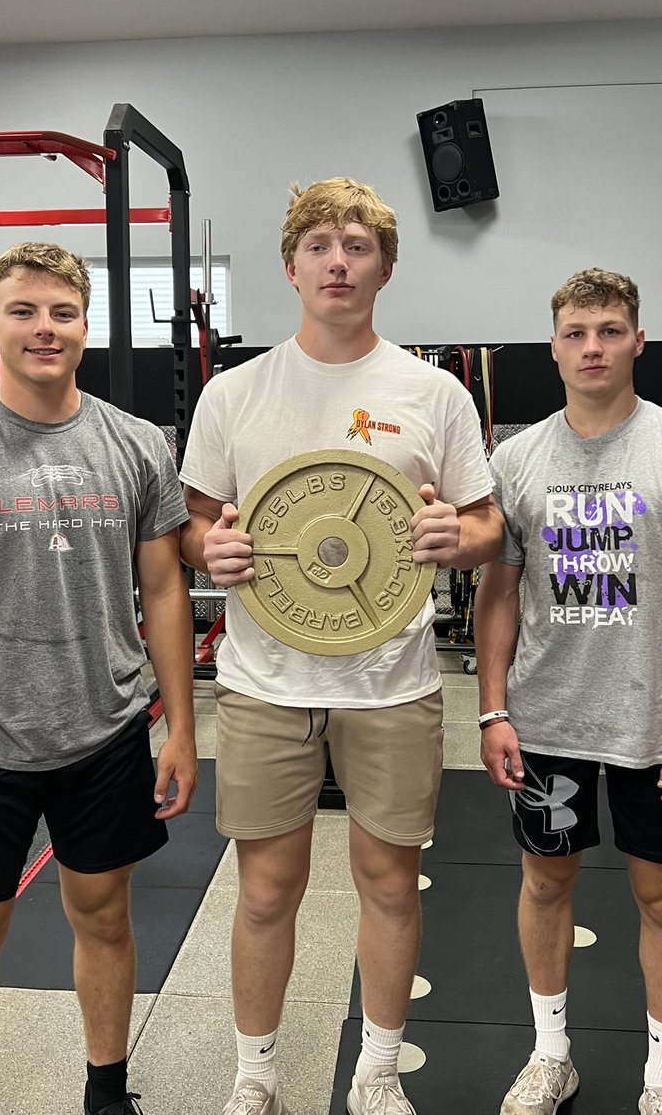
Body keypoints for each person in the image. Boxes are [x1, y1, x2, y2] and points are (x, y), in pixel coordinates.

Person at [179, 177, 503, 1115]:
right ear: (290, 267)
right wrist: (217, 548)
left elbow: (486, 526)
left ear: (385, 268)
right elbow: (190, 529)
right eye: (319, 244)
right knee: (267, 889)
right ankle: (254, 1075)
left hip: (392, 681)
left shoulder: (432, 393)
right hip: (263, 681)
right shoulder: (234, 394)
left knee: (390, 884)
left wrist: (458, 540)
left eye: (357, 245)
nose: (337, 260)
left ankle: (378, 1071)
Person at [0, 242, 197, 1115]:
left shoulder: (135, 443)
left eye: (61, 312)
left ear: (85, 327)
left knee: (104, 916)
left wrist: (182, 732)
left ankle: (106, 1092)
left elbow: (164, 588)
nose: (44, 329)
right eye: (23, 311)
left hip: (108, 732)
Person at [473, 268, 662, 1115]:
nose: (591, 346)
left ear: (637, 339)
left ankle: (661, 1080)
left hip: (657, 725)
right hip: (547, 724)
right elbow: (496, 595)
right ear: (553, 346)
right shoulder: (516, 458)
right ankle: (550, 1055)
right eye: (574, 332)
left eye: (607, 330)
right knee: (545, 883)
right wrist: (492, 709)